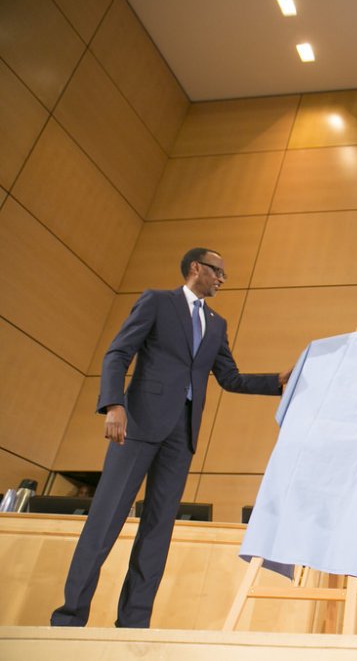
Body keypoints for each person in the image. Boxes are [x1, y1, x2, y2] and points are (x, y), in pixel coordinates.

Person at [51, 248, 291, 628]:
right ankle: (69, 618)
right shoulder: (157, 302)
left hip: (183, 435)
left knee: (158, 531)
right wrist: (114, 404)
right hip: (137, 425)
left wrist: (277, 382)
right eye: (217, 271)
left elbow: (230, 378)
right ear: (195, 268)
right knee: (105, 521)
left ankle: (133, 624)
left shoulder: (217, 324)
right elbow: (118, 354)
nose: (222, 279)